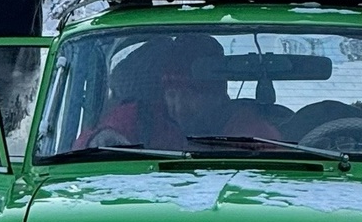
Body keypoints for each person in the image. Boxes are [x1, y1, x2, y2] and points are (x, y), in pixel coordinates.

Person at [80, 33, 281, 152]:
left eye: (190, 94)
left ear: (217, 96)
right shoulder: (142, 116)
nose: (179, 106)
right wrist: (98, 139)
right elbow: (80, 149)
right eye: (172, 94)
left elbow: (277, 173)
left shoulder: (252, 134)